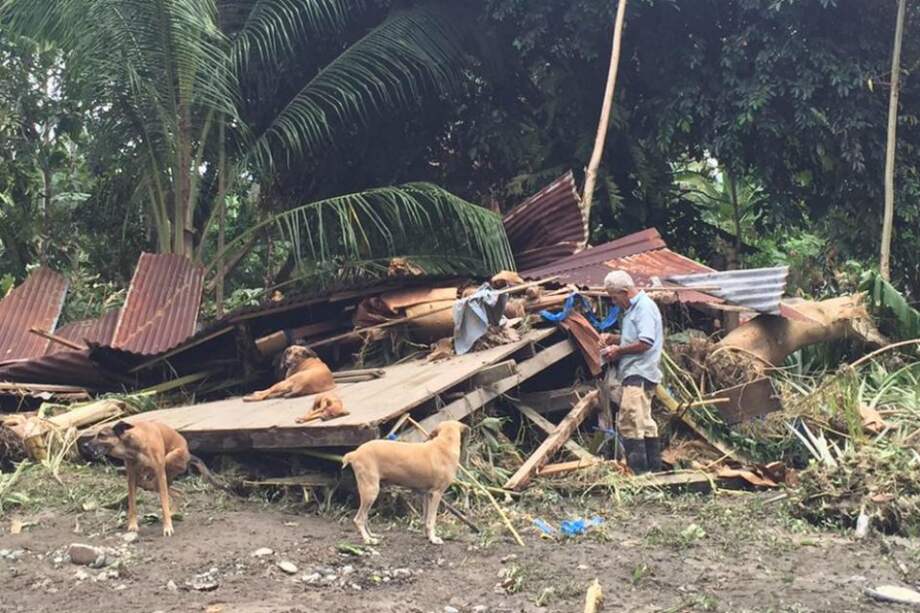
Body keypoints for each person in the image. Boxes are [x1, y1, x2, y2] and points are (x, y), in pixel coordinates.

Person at [600, 270, 663, 474]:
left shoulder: (643, 308)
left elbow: (646, 342)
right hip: (639, 371)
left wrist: (618, 351)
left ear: (625, 292)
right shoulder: (633, 310)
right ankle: (654, 471)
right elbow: (636, 339)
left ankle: (639, 473)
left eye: (614, 296)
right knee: (644, 422)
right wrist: (614, 339)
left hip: (640, 372)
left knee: (629, 419)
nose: (613, 301)